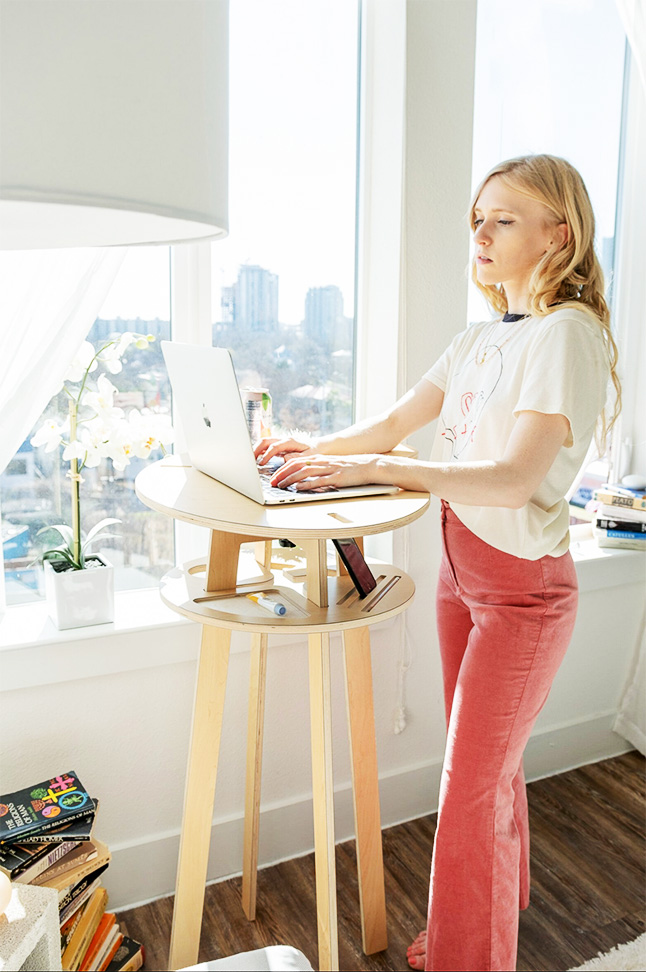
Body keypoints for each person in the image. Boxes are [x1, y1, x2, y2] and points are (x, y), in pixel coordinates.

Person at [254, 154, 621, 972]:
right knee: (491, 770)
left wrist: (378, 470)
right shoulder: (480, 339)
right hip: (463, 580)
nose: (481, 236)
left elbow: (515, 478)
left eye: (504, 220)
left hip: (524, 596)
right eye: (477, 220)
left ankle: (469, 956)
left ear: (557, 236)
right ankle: (497, 901)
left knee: (467, 792)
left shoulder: (569, 334)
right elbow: (391, 423)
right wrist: (312, 448)